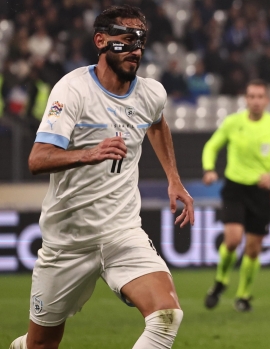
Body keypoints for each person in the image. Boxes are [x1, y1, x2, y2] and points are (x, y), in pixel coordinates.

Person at [10, 5, 194, 349]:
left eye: (140, 42)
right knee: (41, 344)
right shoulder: (72, 91)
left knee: (167, 316)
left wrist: (174, 178)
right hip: (68, 240)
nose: (136, 50)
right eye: (126, 41)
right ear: (101, 41)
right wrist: (89, 153)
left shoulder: (151, 93)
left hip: (121, 232)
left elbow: (157, 123)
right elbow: (37, 159)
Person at [202, 79, 270, 312]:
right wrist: (209, 168)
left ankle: (243, 295)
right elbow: (212, 146)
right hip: (235, 187)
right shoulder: (233, 123)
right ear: (246, 99)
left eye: (259, 96)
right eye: (251, 96)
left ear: (267, 100)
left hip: (260, 191)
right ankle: (220, 282)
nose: (255, 101)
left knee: (253, 248)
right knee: (232, 239)